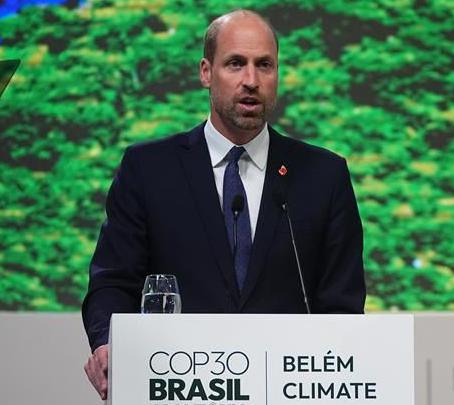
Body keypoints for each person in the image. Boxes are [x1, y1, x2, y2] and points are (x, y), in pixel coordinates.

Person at [82, 9, 365, 399]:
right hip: (178, 387)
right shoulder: (149, 169)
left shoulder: (323, 175)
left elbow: (342, 306)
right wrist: (105, 341)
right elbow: (113, 281)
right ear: (205, 72)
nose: (251, 80)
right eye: (235, 64)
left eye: (264, 65)